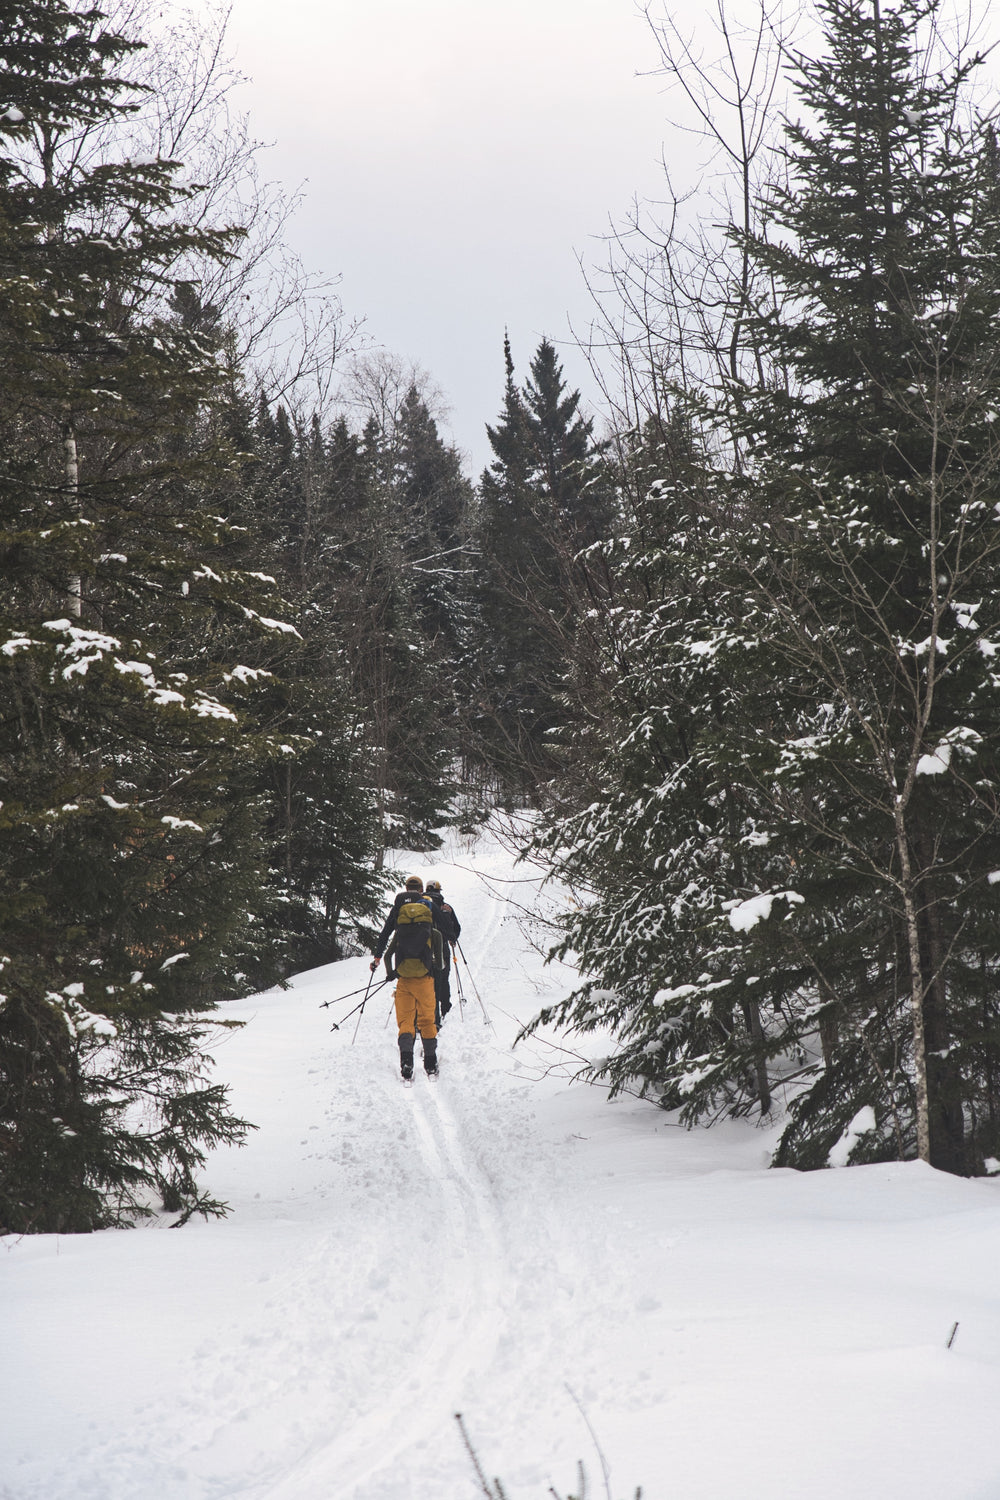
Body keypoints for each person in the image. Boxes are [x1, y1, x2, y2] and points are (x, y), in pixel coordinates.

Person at [371, 876, 443, 1079]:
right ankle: (430, 1064)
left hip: (404, 981)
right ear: (420, 889)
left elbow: (387, 952)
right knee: (428, 1020)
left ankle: (406, 1064)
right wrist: (436, 966)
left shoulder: (399, 917)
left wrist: (391, 973)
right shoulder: (428, 910)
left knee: (405, 1022)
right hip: (426, 980)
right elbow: (440, 941)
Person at [425, 879, 461, 1025]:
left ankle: (426, 1012)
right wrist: (452, 939)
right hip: (442, 949)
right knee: (443, 980)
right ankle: (444, 1008)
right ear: (439, 892)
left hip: (423, 949)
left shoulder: (421, 905)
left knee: (425, 981)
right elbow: (456, 928)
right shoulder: (445, 907)